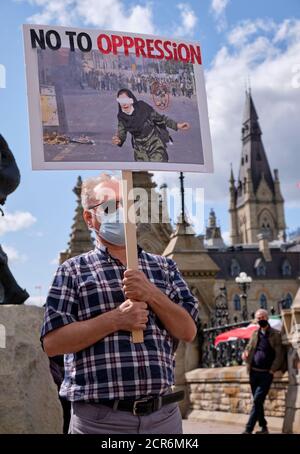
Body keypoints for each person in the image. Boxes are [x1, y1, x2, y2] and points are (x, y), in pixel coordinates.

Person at [41, 173, 198, 434]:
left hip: (163, 419)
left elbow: (188, 331)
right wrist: (115, 320)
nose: (121, 212)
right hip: (99, 421)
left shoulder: (165, 267)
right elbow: (53, 343)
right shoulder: (72, 271)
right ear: (90, 218)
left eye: (126, 203)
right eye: (109, 206)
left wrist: (151, 293)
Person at [112, 88, 190, 162]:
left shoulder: (143, 107)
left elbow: (160, 118)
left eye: (126, 100)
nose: (124, 103)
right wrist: (119, 140)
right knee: (144, 172)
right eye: (121, 101)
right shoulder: (121, 117)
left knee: (158, 166)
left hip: (155, 144)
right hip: (139, 150)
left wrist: (177, 125)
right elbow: (121, 134)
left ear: (131, 99)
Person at [242, 308, 285, 434]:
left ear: (267, 318)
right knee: (258, 402)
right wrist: (245, 354)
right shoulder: (255, 334)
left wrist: (272, 370)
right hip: (253, 372)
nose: (260, 320)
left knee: (257, 400)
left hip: (266, 373)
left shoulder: (275, 334)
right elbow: (248, 348)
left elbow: (279, 354)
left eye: (262, 318)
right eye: (258, 318)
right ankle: (264, 427)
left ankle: (248, 429)